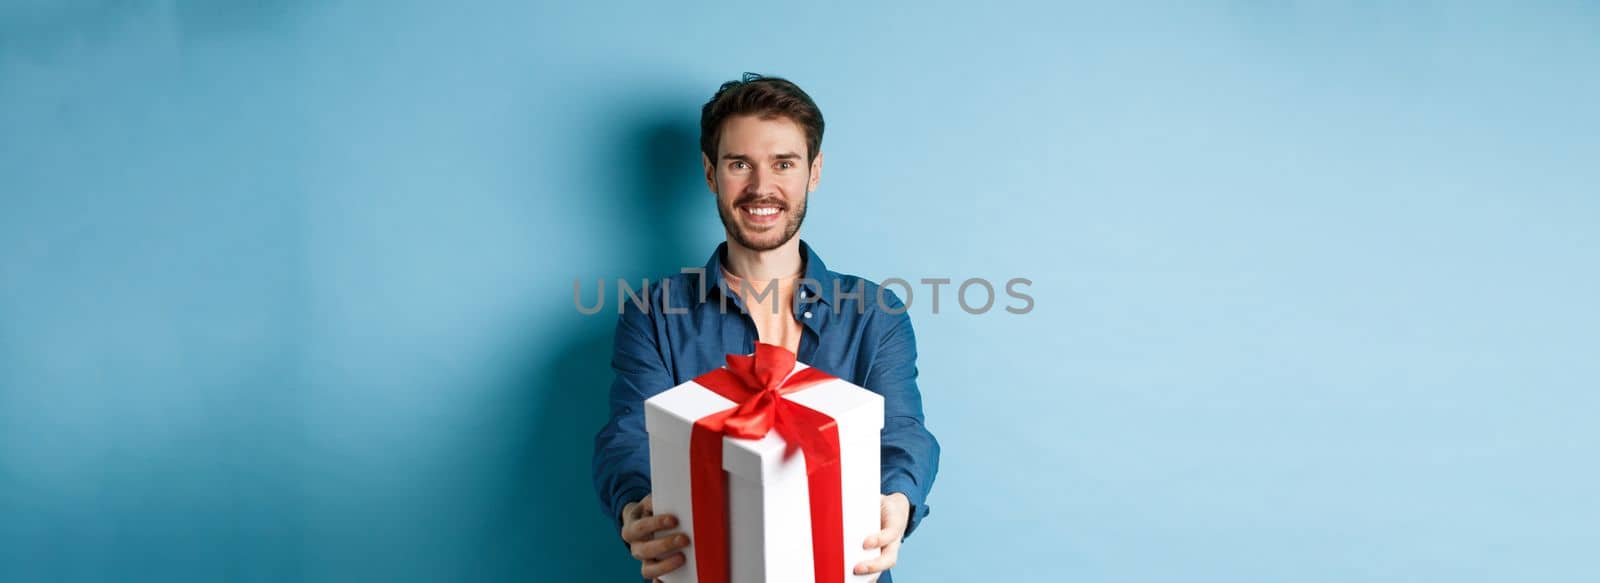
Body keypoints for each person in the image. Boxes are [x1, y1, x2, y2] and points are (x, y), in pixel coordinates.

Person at [591, 73, 940, 582]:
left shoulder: (873, 313)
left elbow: (904, 433)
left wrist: (898, 498)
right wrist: (638, 507)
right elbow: (628, 435)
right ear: (710, 174)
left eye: (783, 164)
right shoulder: (653, 313)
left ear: (813, 172)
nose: (762, 187)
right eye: (739, 164)